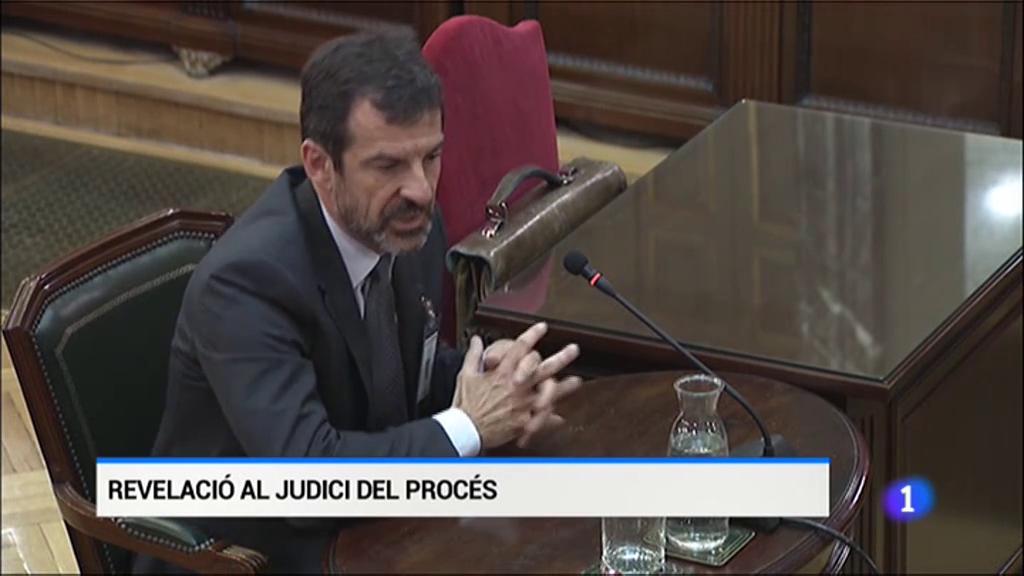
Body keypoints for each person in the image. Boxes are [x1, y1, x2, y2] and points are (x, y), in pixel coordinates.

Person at [132, 30, 581, 573]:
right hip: (249, 552)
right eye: (388, 166)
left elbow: (393, 374)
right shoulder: (247, 283)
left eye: (432, 156)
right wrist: (469, 426)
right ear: (320, 164)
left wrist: (487, 376)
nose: (421, 188)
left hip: (374, 525)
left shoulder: (406, 223)